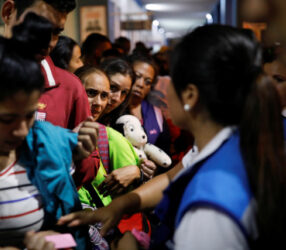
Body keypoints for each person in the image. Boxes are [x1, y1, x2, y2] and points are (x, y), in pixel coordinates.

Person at [58, 25, 286, 249]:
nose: (163, 92)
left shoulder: (208, 210)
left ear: (190, 95)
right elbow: (173, 177)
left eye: (170, 81)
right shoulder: (227, 144)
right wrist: (120, 205)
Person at [0, 13, 98, 249]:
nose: (22, 131)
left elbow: (69, 231)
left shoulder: (44, 155)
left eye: (29, 115)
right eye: (7, 119)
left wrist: (49, 241)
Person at [75, 66, 151, 249]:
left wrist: (138, 173)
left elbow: (133, 199)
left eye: (104, 96)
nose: (99, 103)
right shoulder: (49, 132)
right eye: (91, 93)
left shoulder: (110, 138)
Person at [127, 54, 173, 170]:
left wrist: (153, 170)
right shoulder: (113, 109)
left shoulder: (156, 113)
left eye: (147, 82)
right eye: (137, 77)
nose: (141, 84)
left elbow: (165, 154)